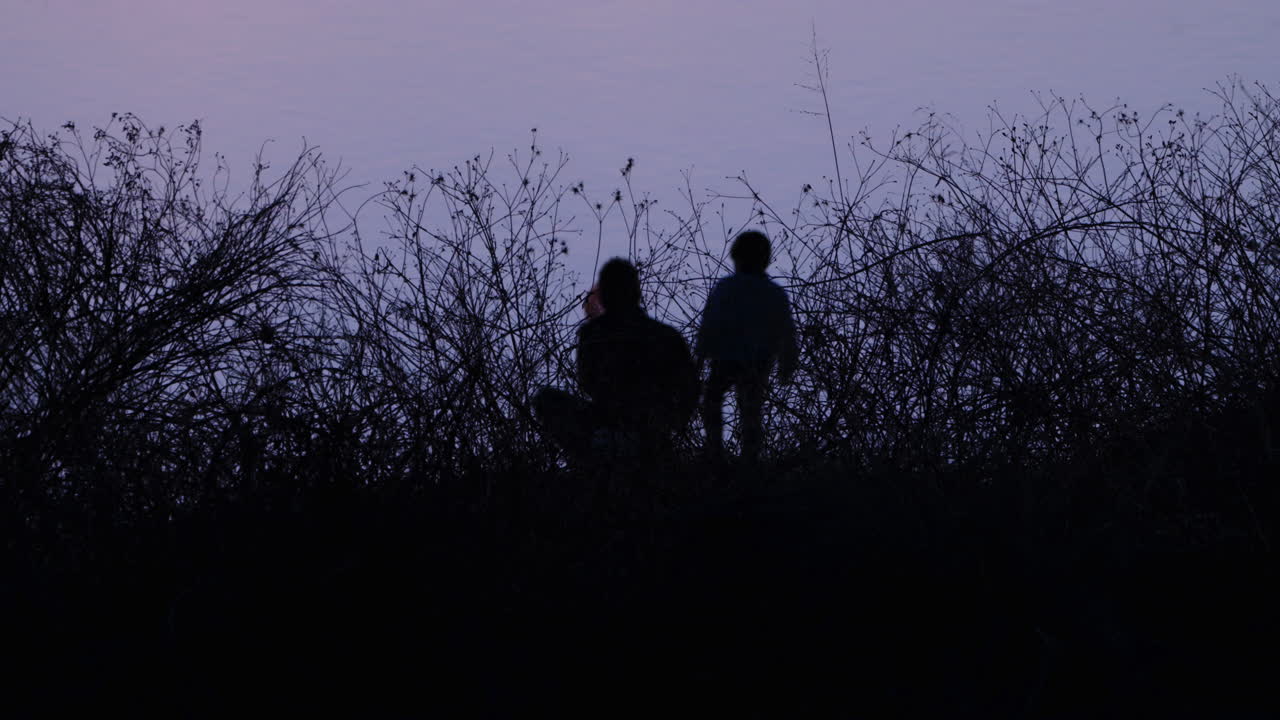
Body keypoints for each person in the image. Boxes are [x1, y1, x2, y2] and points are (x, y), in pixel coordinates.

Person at [534, 258, 698, 465]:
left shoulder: (592, 333)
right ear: (637, 293)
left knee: (546, 400)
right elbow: (690, 389)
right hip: (649, 431)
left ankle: (593, 461)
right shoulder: (665, 335)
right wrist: (667, 423)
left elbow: (587, 383)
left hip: (609, 425)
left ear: (604, 296)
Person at [696, 230, 798, 462]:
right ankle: (746, 456)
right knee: (749, 409)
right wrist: (787, 364)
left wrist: (700, 357)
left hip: (730, 358)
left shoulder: (727, 288)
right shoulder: (773, 293)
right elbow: (787, 333)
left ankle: (716, 449)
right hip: (754, 360)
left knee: (716, 401)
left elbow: (709, 324)